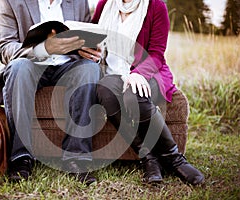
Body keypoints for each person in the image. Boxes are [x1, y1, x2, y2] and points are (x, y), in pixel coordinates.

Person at [80, 0, 204, 185]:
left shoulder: (155, 6)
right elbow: (93, 41)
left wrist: (138, 74)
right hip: (113, 74)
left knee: (134, 94)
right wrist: (87, 50)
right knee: (105, 91)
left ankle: (174, 159)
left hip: (148, 72)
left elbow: (157, 52)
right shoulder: (104, 5)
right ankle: (148, 157)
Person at [0, 0, 100, 185]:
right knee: (18, 68)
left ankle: (77, 158)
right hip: (30, 64)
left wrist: (89, 49)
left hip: (68, 65)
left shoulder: (79, 2)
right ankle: (21, 158)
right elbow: (5, 49)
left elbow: (86, 39)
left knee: (89, 70)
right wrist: (44, 49)